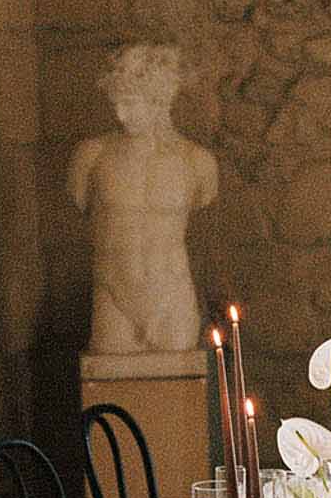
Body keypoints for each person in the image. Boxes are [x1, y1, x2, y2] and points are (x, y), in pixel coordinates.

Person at [67, 44, 218, 355]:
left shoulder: (196, 162)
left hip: (172, 295)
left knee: (178, 384)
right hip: (113, 294)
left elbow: (204, 197)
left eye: (131, 104)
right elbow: (80, 199)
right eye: (117, 103)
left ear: (157, 102)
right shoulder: (93, 157)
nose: (121, 115)